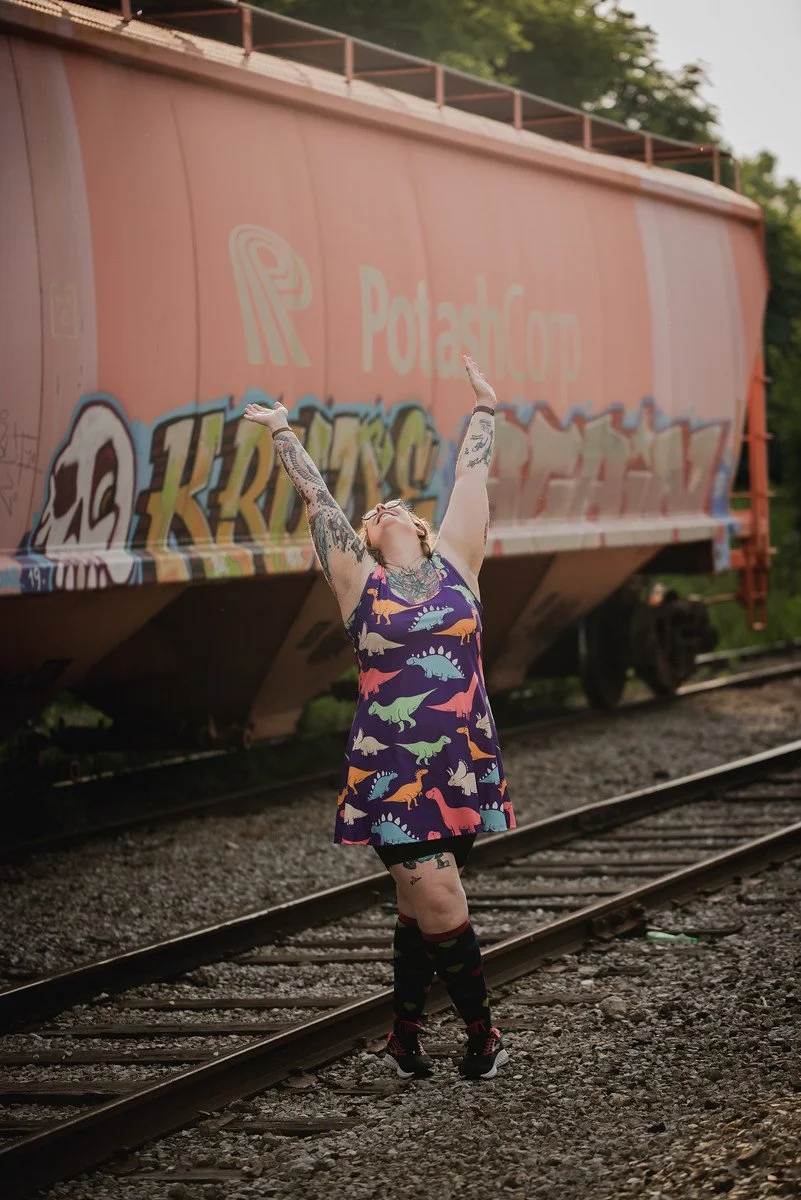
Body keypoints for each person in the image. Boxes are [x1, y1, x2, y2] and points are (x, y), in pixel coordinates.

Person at [244, 356, 514, 1081]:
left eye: (396, 507)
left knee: (416, 904)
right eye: (372, 514)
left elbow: (469, 479)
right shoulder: (358, 582)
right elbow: (320, 503)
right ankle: (482, 1035)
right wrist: (282, 434)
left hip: (460, 763)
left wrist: (484, 408)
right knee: (437, 891)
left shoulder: (460, 563)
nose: (381, 509)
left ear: (426, 532)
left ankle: (402, 1035)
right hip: (390, 770)